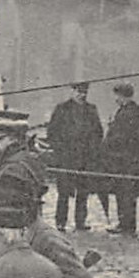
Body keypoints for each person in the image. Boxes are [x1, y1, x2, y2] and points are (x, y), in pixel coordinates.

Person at [46, 82, 106, 231]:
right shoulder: (62, 109)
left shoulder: (91, 110)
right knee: (64, 193)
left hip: (85, 158)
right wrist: (60, 150)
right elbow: (52, 133)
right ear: (72, 91)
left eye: (84, 92)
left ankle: (80, 222)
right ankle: (60, 222)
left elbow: (98, 132)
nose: (82, 95)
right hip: (66, 158)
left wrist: (93, 150)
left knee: (83, 193)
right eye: (79, 92)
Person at [102, 83, 139, 237]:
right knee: (124, 193)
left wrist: (110, 131)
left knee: (126, 193)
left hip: (127, 161)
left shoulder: (129, 113)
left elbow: (125, 137)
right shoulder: (135, 111)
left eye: (117, 96)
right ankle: (126, 224)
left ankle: (127, 226)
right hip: (129, 160)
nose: (116, 99)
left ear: (123, 96)